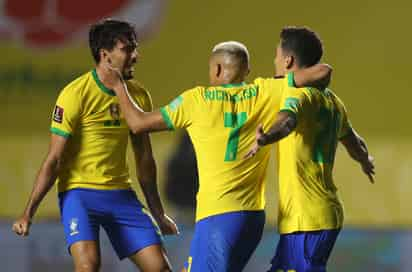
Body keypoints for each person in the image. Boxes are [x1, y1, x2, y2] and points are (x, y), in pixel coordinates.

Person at [105, 40, 331, 271]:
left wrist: (119, 87)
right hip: (252, 219)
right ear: (247, 71)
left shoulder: (196, 101)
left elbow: (137, 123)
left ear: (217, 69)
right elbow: (323, 71)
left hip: (218, 217)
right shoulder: (265, 92)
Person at [12, 19, 178, 272]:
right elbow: (54, 160)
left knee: (160, 268)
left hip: (121, 195)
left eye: (135, 48)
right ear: (105, 55)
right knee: (88, 266)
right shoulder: (74, 94)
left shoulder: (139, 95)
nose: (136, 55)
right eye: (128, 49)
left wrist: (158, 212)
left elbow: (145, 159)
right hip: (80, 194)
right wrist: (28, 213)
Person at [245, 26, 375, 272]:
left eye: (276, 55)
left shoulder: (300, 94)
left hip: (307, 219)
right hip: (317, 214)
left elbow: (288, 121)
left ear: (288, 60)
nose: (274, 61)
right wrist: (365, 160)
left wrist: (267, 137)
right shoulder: (334, 102)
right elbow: (354, 142)